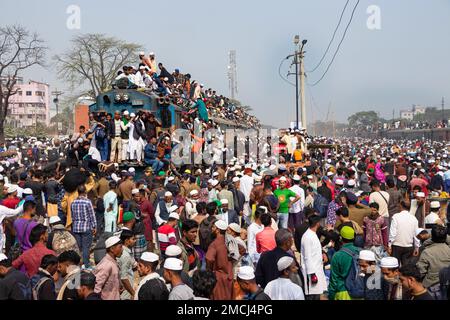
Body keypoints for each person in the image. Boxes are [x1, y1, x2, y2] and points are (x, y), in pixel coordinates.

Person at [416, 225, 450, 299]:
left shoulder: (427, 252)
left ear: (432, 237)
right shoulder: (448, 249)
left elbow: (420, 272)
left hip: (432, 287)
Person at [328, 226, 360, 300]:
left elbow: (334, 280)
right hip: (358, 291)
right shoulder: (360, 252)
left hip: (342, 292)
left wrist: (331, 295)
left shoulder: (337, 255)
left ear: (340, 238)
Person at [300, 215, 327, 300]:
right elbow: (307, 257)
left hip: (316, 269)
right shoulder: (307, 237)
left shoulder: (312, 234)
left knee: (317, 294)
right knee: (312, 296)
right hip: (311, 272)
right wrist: (312, 274)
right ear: (318, 224)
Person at [205, 220, 233, 300]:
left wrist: (209, 270)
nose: (212, 229)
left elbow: (209, 259)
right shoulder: (229, 241)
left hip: (219, 278)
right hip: (229, 275)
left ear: (217, 230)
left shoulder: (214, 244)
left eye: (213, 227)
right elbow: (242, 249)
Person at [71, 185, 97, 268]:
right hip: (86, 227)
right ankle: (86, 265)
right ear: (85, 192)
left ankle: (78, 264)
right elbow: (92, 215)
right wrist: (94, 226)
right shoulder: (87, 202)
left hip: (76, 227)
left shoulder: (73, 202)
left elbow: (72, 216)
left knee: (79, 248)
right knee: (86, 247)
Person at [388, 201, 420, 266]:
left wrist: (389, 244)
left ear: (401, 206)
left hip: (397, 246)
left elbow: (392, 233)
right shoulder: (414, 219)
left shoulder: (396, 216)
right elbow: (416, 235)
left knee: (394, 266)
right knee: (406, 268)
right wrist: (417, 247)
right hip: (408, 246)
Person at [93, 235, 123, 300]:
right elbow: (96, 287)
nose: (122, 249)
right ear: (112, 249)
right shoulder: (106, 265)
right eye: (120, 247)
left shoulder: (113, 262)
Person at [117, 230, 137, 300]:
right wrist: (133, 293)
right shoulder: (125, 255)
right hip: (126, 288)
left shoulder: (124, 251)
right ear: (126, 241)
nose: (135, 241)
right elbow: (124, 277)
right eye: (133, 239)